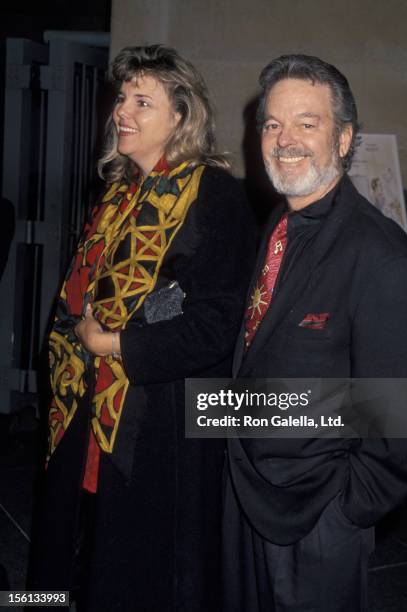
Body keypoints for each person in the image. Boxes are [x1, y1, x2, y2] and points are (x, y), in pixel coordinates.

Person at [28, 44, 254, 611]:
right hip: (83, 406)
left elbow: (220, 321)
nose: (122, 112)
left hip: (155, 423)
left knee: (137, 574)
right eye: (123, 98)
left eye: (143, 101)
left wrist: (119, 344)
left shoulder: (214, 192)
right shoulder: (118, 192)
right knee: (72, 559)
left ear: (180, 116)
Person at [223, 54, 407, 611]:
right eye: (272, 124)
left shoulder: (381, 256)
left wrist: (342, 514)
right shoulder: (278, 225)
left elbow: (396, 420)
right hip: (248, 495)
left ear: (343, 139)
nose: (284, 140)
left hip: (318, 519)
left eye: (305, 124)